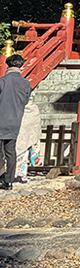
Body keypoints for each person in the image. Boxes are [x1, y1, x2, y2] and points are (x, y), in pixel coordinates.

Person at [0, 56, 32, 190]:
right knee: (10, 151)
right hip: (15, 120)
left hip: (1, 118)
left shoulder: (2, 81)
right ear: (21, 66)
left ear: (7, 66)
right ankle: (9, 181)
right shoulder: (25, 83)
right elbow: (25, 101)